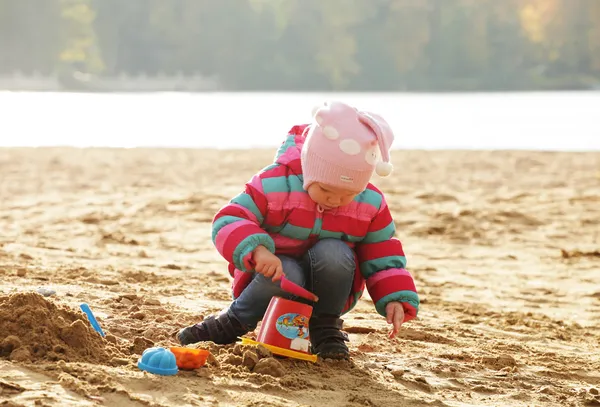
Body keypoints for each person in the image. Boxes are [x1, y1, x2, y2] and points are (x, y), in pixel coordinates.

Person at [177, 101, 420, 359]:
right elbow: (229, 219)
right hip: (272, 278)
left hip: (328, 286)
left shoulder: (369, 203)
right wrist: (257, 251)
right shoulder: (275, 184)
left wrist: (395, 297)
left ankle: (325, 327)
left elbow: (382, 254)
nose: (335, 200)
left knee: (335, 252)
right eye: (325, 189)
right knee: (289, 270)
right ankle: (235, 320)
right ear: (310, 169)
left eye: (349, 193)